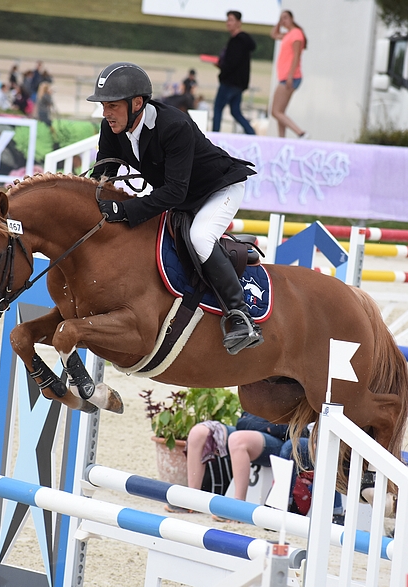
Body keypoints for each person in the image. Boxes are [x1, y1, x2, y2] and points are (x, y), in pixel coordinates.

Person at [87, 62, 262, 354]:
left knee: (200, 237)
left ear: (137, 103)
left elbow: (174, 191)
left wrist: (125, 211)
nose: (106, 113)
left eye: (113, 105)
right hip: (181, 196)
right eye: (104, 105)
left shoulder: (174, 126)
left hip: (218, 189)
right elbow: (104, 172)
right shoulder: (112, 127)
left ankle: (241, 315)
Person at [175, 412, 289, 519]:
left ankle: (238, 507)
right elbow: (242, 421)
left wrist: (263, 426)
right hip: (256, 430)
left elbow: (292, 429)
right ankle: (192, 500)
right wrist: (265, 426)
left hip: (283, 440)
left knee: (237, 439)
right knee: (198, 432)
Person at [212, 11, 256, 135]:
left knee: (218, 108)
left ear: (238, 23)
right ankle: (251, 133)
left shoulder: (237, 41)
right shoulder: (243, 41)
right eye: (228, 20)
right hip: (239, 83)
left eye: (231, 20)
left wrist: (222, 70)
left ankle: (214, 137)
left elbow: (232, 62)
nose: (228, 23)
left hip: (230, 81)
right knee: (235, 111)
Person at [270, 10, 307, 138]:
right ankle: (282, 138)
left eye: (285, 18)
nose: (283, 21)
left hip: (290, 76)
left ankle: (300, 132)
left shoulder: (296, 34)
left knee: (275, 111)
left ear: (292, 18)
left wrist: (290, 75)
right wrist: (279, 23)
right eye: (282, 18)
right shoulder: (288, 35)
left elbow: (296, 56)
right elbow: (274, 34)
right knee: (281, 112)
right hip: (285, 76)